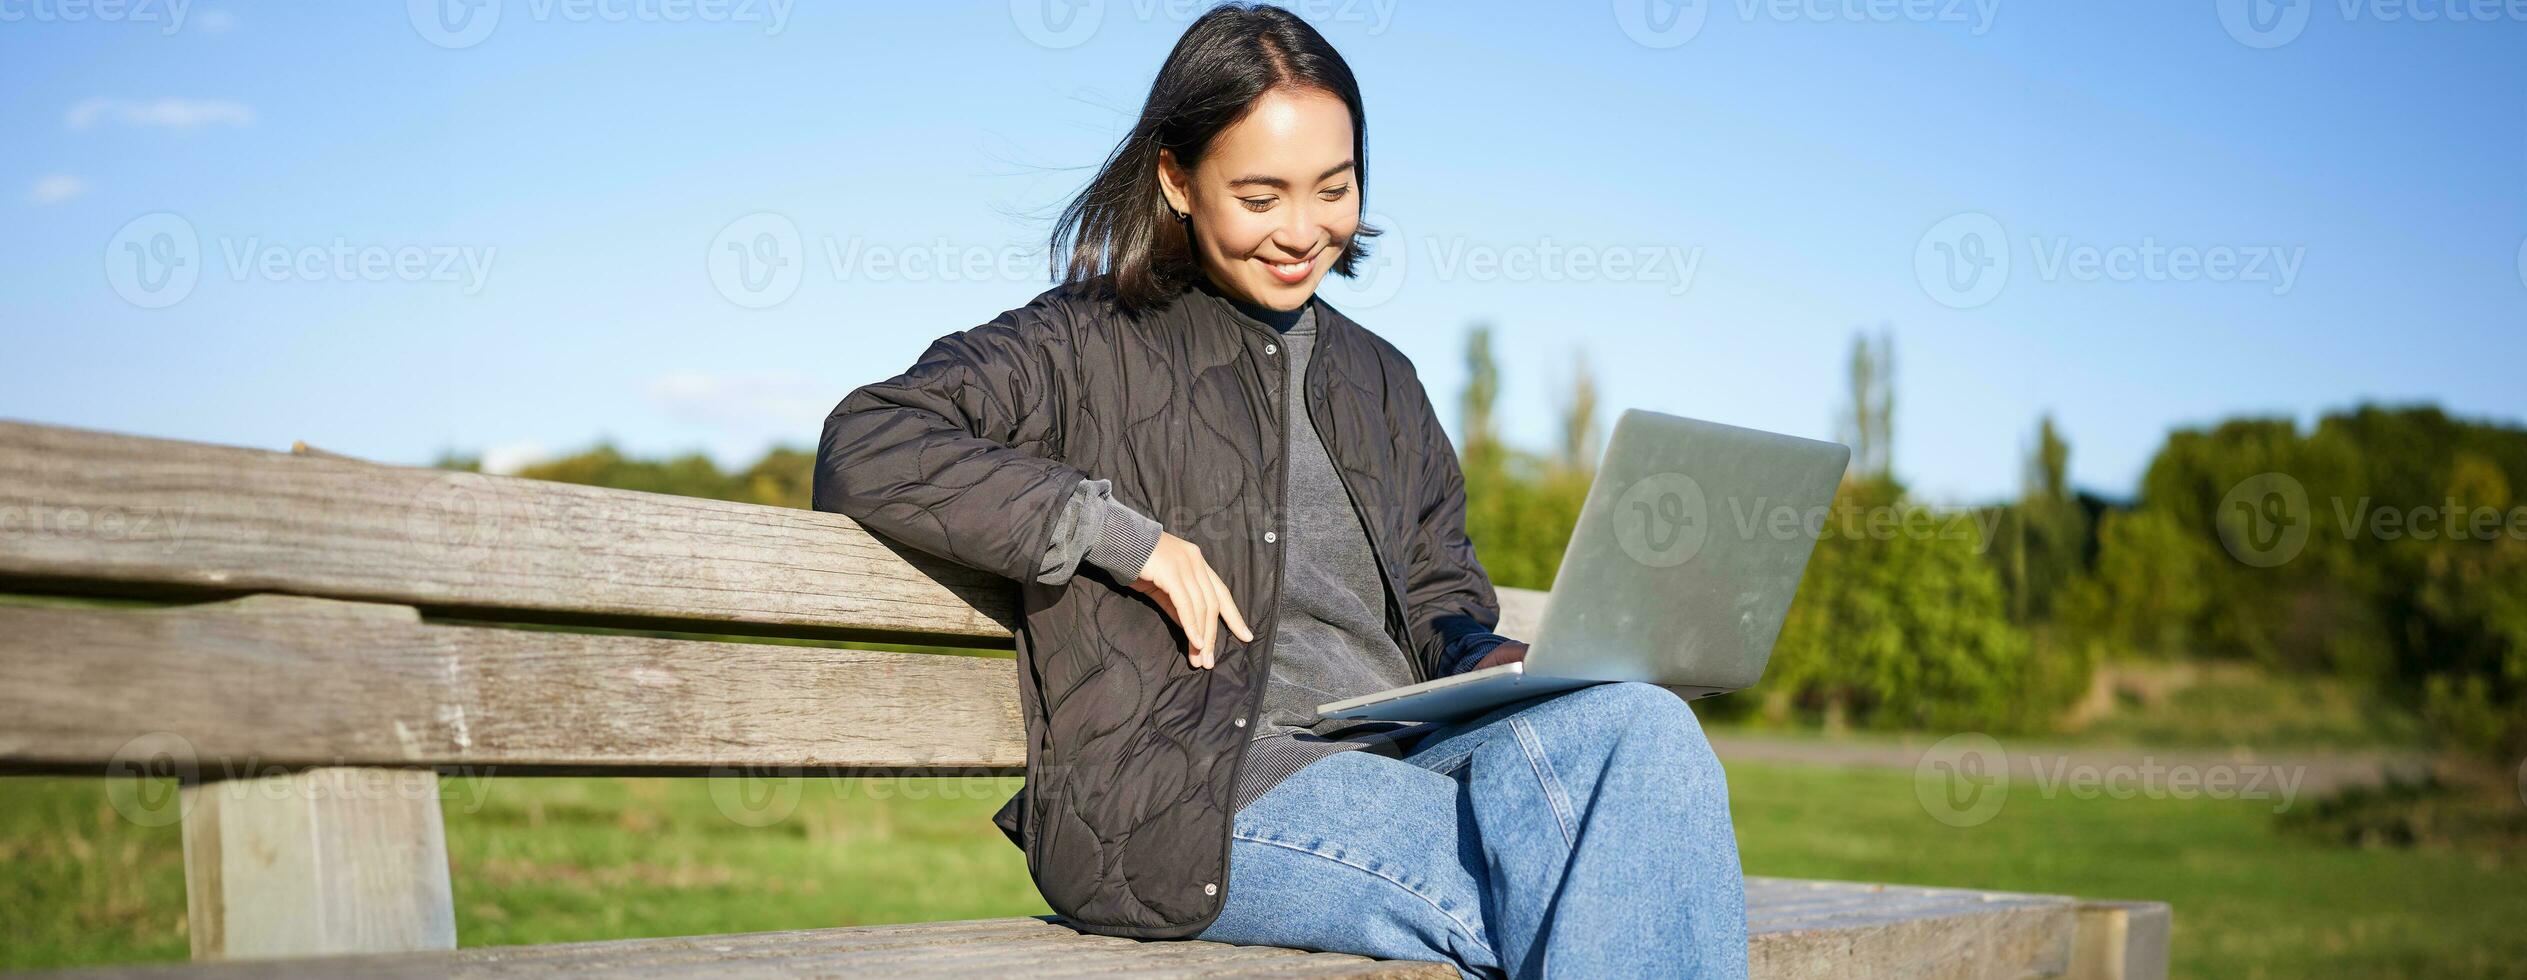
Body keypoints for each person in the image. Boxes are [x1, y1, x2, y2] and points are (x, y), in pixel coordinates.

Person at [813, 5, 1747, 976]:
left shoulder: (1379, 377)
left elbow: (1438, 604)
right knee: (1584, 883)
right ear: (1176, 179)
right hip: (1190, 791)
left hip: (1396, 755)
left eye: (1333, 189)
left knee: (1642, 724)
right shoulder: (1082, 341)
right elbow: (871, 440)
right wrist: (1120, 536)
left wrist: (1508, 657)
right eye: (1260, 197)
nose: (1304, 231)